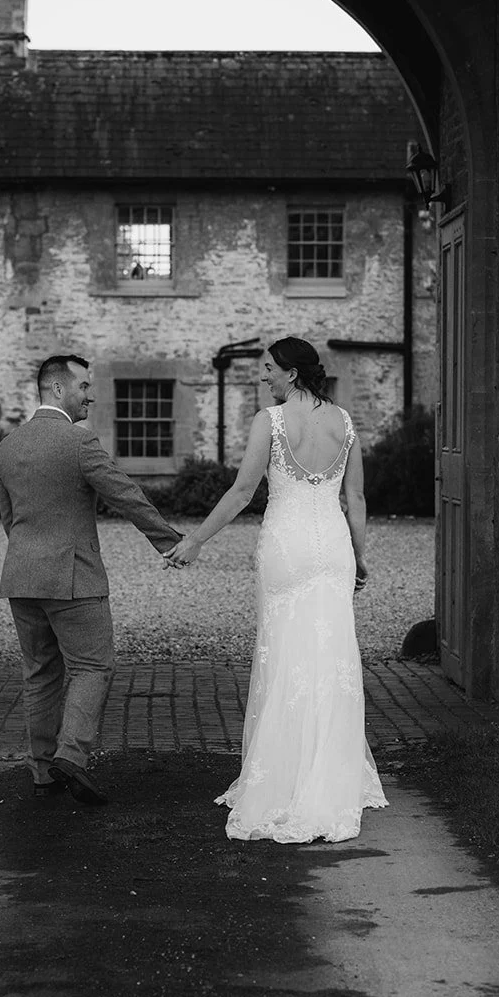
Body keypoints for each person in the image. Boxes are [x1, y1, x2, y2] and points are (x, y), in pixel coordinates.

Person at [164, 337, 388, 842]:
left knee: (285, 653)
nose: (262, 376)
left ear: (290, 373)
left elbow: (244, 490)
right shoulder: (345, 422)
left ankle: (284, 778)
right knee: (331, 654)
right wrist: (360, 554)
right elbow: (355, 496)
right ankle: (329, 775)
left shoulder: (271, 421)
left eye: (267, 368)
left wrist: (197, 539)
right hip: (332, 546)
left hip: (286, 545)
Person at [0, 354, 183, 806]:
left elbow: (9, 518)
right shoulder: (79, 444)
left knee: (39, 673)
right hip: (74, 577)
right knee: (93, 665)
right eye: (83, 386)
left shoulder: (7, 446)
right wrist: (169, 541)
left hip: (21, 575)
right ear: (57, 389)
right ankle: (72, 756)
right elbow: (126, 495)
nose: (90, 395)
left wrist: (30, 555)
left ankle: (42, 772)